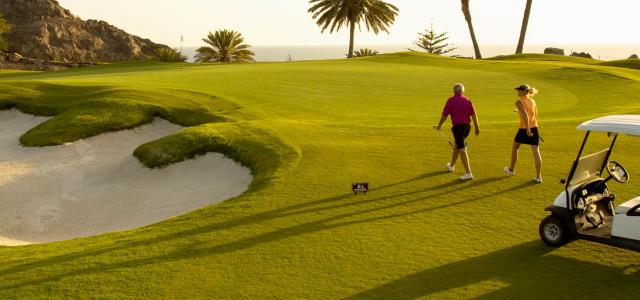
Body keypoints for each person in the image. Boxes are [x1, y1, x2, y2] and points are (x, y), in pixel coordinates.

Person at [434, 83, 481, 181]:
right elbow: (473, 115)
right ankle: (451, 166)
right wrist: (477, 128)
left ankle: (468, 173)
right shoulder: (467, 100)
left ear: (454, 91)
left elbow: (444, 114)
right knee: (457, 146)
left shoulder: (450, 100)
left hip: (458, 128)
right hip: (467, 128)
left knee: (462, 149)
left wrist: (439, 125)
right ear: (462, 91)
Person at [504, 84, 543, 183]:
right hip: (534, 127)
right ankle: (538, 177)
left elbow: (525, 114)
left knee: (515, 147)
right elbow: (534, 114)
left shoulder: (519, 102)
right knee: (536, 151)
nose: (517, 91)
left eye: (519, 90)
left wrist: (527, 129)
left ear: (524, 91)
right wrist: (531, 128)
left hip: (524, 128)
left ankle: (511, 169)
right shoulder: (532, 101)